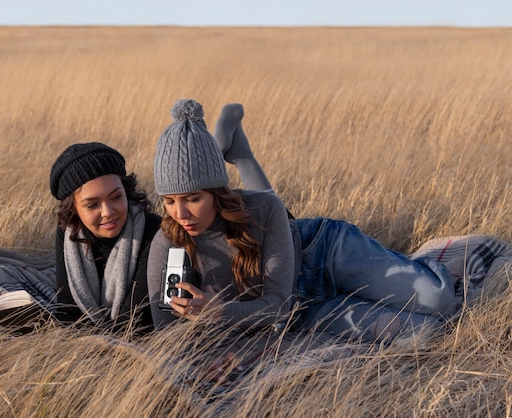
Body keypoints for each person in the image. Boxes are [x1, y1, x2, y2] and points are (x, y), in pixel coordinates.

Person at [147, 99, 457, 342]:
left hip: (322, 252)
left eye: (193, 198)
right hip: (303, 312)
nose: (181, 214)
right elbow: (167, 333)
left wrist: (221, 311)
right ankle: (372, 286)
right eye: (170, 201)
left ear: (216, 191)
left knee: (438, 298)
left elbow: (275, 302)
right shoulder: (168, 243)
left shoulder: (265, 208)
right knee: (428, 333)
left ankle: (238, 153)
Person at [49, 142, 162, 332]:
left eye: (116, 197)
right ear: (74, 209)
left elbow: (135, 320)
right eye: (93, 205)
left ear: (126, 191)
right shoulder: (68, 234)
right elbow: (68, 310)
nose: (108, 212)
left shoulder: (153, 231)